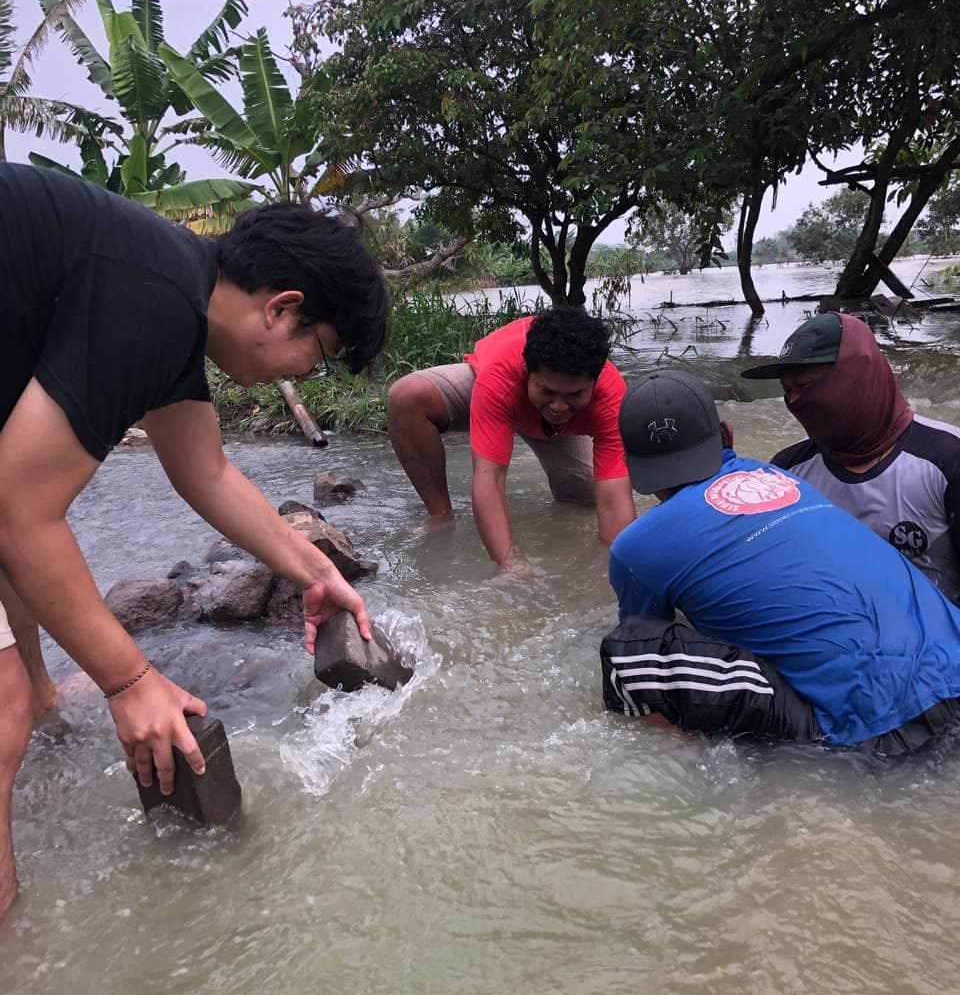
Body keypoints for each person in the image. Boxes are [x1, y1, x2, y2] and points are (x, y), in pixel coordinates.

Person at [0, 162, 389, 922]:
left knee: (21, 690)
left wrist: (316, 572)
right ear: (283, 309)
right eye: (316, 355)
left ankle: (43, 697)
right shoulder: (153, 297)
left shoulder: (173, 291)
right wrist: (129, 682)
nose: (305, 372)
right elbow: (21, 511)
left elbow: (205, 471)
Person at [601, 369, 960, 755]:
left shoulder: (636, 546)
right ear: (727, 435)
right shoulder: (780, 475)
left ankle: (685, 762)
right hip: (953, 674)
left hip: (882, 731)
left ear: (630, 465)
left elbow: (650, 633)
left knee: (629, 651)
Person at [386, 308, 636, 571]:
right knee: (406, 396)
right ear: (527, 371)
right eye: (547, 391)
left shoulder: (611, 397)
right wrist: (509, 564)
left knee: (588, 497)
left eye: (573, 395)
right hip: (497, 391)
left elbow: (614, 499)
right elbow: (490, 480)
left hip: (556, 422)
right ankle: (440, 514)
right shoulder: (499, 377)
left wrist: (617, 569)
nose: (559, 406)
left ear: (594, 381)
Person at [740, 311, 960, 602]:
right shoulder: (788, 470)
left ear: (854, 379)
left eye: (805, 386)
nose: (793, 401)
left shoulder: (947, 457)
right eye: (787, 391)